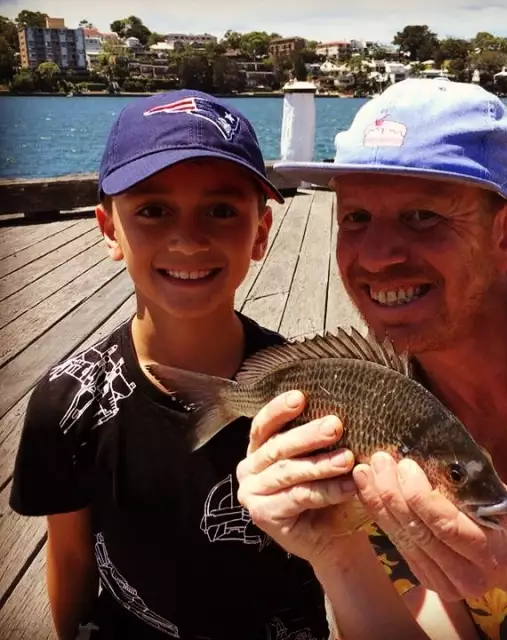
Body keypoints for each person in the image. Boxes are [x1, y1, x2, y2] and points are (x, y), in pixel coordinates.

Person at [9, 89, 431, 640]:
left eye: (221, 210)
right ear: (110, 228)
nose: (188, 238)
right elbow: (69, 562)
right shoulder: (66, 403)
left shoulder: (307, 394)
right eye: (153, 210)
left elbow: (352, 554)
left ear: (260, 232)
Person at [233, 78, 507, 640]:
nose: (376, 257)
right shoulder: (358, 420)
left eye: (422, 216)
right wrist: (336, 551)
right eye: (355, 219)